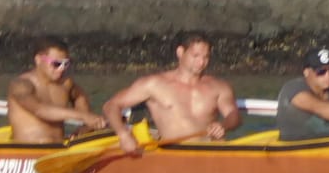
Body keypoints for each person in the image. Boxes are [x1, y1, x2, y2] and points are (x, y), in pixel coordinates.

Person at [101, 33, 243, 156]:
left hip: (210, 152)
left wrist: (224, 125)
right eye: (195, 56)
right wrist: (123, 134)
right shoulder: (154, 84)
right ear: (180, 52)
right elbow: (111, 106)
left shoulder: (219, 87)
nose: (201, 62)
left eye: (206, 57)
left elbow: (234, 115)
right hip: (172, 154)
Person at [6, 38, 103, 145]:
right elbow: (39, 110)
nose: (61, 69)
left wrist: (86, 126)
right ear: (38, 60)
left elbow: (80, 98)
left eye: (65, 64)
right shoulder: (20, 85)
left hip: (59, 148)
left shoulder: (67, 84)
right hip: (27, 149)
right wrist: (82, 116)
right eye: (56, 64)